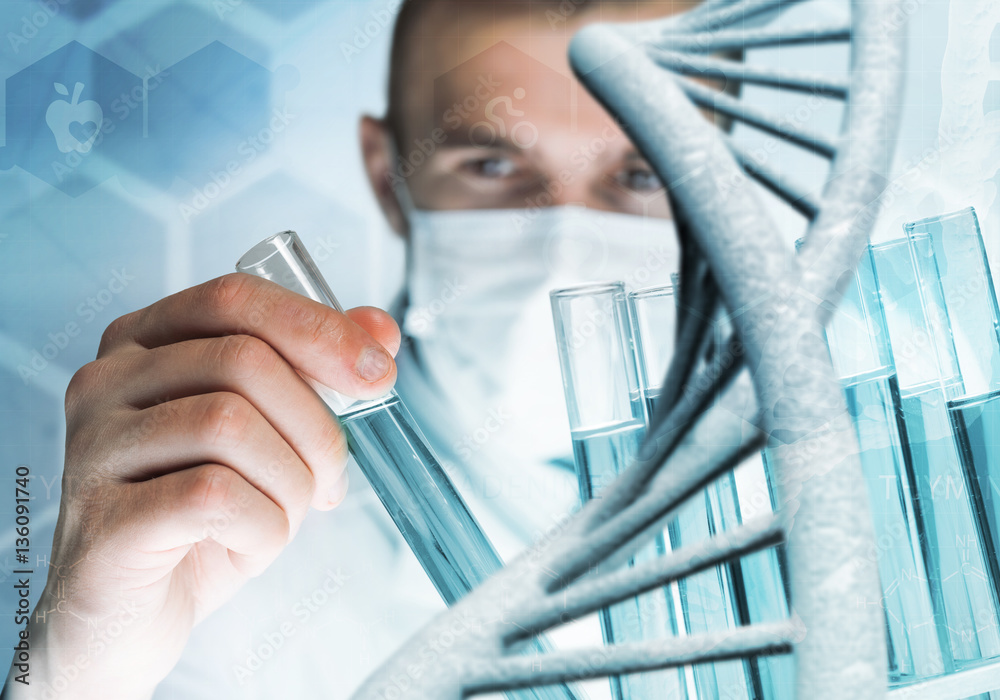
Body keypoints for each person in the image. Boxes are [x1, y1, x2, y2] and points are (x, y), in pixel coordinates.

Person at [4, 0, 692, 697]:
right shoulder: (208, 537)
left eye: (641, 175)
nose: (562, 244)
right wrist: (70, 668)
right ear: (387, 171)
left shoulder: (791, 495)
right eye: (490, 164)